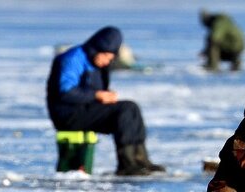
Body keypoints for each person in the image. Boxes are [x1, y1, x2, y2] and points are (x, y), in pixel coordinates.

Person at [45, 26, 165, 176]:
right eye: (107, 56)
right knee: (123, 111)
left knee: (132, 108)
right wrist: (97, 95)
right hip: (67, 115)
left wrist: (104, 96)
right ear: (98, 49)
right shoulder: (73, 58)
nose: (107, 61)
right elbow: (65, 91)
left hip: (84, 109)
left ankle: (141, 160)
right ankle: (127, 164)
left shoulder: (94, 60)